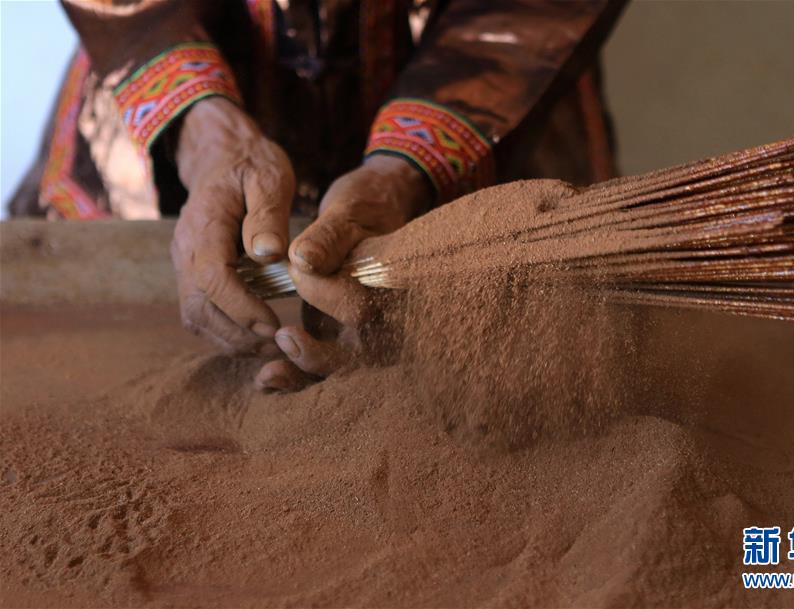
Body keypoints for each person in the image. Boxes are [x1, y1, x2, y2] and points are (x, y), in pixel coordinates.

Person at [8, 0, 625, 391]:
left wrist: (407, 170)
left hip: (492, 86)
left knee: (525, 361)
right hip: (165, 87)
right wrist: (205, 136)